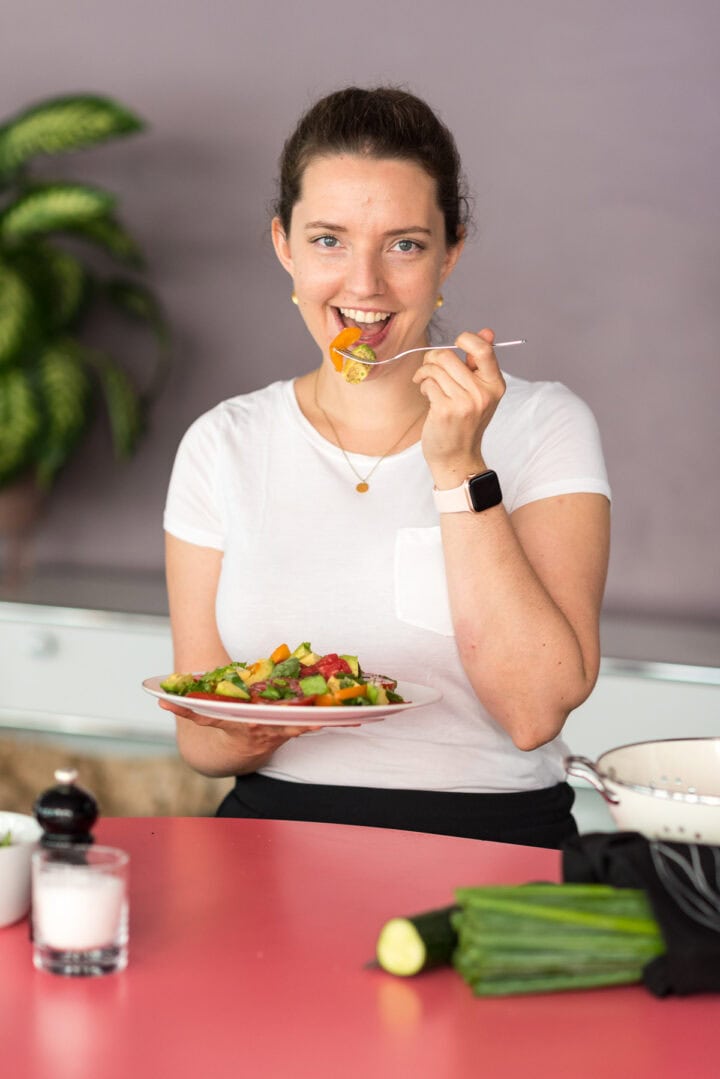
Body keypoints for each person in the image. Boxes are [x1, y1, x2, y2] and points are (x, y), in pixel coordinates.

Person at [160, 86, 611, 848]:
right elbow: (200, 740)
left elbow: (535, 713)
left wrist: (460, 465)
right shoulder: (223, 442)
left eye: (403, 244)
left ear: (450, 252)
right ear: (284, 247)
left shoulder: (543, 425)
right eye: (329, 240)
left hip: (488, 835)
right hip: (267, 835)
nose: (363, 285)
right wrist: (256, 724)